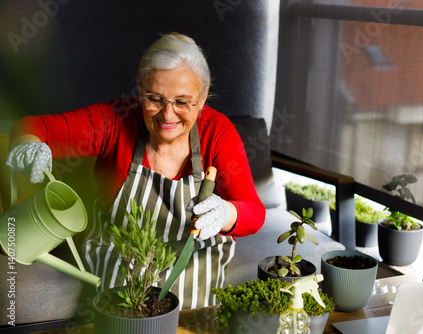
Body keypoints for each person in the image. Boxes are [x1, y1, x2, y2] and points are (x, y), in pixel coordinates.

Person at [6, 32, 266, 310]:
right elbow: (33, 127)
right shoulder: (115, 120)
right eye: (155, 98)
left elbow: (254, 211)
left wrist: (228, 213)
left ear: (202, 98)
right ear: (140, 90)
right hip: (119, 268)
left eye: (182, 102)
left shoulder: (218, 133)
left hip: (194, 274)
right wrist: (28, 146)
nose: (167, 115)